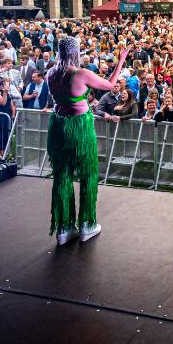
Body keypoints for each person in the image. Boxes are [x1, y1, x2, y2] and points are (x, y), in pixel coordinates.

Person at [46, 36, 130, 245]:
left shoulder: (51, 73)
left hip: (57, 124)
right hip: (79, 125)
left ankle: (64, 229)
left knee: (62, 175)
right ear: (75, 52)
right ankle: (87, 224)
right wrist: (121, 60)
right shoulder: (81, 74)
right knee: (88, 173)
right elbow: (111, 85)